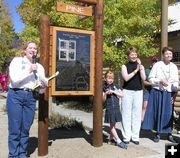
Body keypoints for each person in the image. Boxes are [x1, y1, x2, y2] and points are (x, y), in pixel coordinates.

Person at [7, 41, 48, 158]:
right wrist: (29, 70)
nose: (33, 50)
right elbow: (14, 80)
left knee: (25, 128)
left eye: (35, 48)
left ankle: (22, 153)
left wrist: (43, 87)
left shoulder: (39, 67)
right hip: (16, 95)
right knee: (15, 128)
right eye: (30, 48)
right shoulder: (17, 61)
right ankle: (13, 155)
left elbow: (41, 91)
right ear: (25, 50)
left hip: (31, 97)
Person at [141, 47, 179, 143]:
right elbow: (150, 78)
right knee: (158, 112)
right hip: (158, 92)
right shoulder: (157, 65)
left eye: (170, 54)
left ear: (172, 55)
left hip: (169, 93)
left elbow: (176, 81)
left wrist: (174, 93)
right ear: (163, 55)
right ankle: (157, 133)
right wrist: (160, 81)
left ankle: (169, 134)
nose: (168, 55)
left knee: (169, 113)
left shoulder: (174, 67)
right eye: (166, 54)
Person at [121, 47, 146, 145]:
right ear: (128, 56)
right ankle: (126, 137)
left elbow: (144, 78)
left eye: (135, 54)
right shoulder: (124, 66)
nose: (134, 56)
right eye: (132, 54)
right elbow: (126, 78)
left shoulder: (140, 66)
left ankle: (135, 136)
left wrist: (141, 67)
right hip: (127, 91)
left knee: (137, 114)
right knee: (126, 114)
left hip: (138, 92)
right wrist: (136, 70)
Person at [103, 70, 127, 149]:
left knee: (113, 124)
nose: (110, 80)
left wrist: (113, 91)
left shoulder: (116, 86)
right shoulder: (103, 87)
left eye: (112, 78)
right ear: (105, 78)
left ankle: (110, 138)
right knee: (112, 126)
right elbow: (102, 100)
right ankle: (118, 141)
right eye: (108, 78)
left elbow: (122, 94)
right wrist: (106, 94)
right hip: (109, 108)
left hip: (116, 108)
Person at [141, 57, 158, 122]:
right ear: (151, 62)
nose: (154, 62)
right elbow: (144, 81)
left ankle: (153, 123)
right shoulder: (147, 70)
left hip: (156, 91)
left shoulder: (159, 70)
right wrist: (151, 84)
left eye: (156, 61)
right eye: (153, 61)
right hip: (148, 90)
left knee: (155, 107)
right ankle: (142, 122)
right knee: (145, 106)